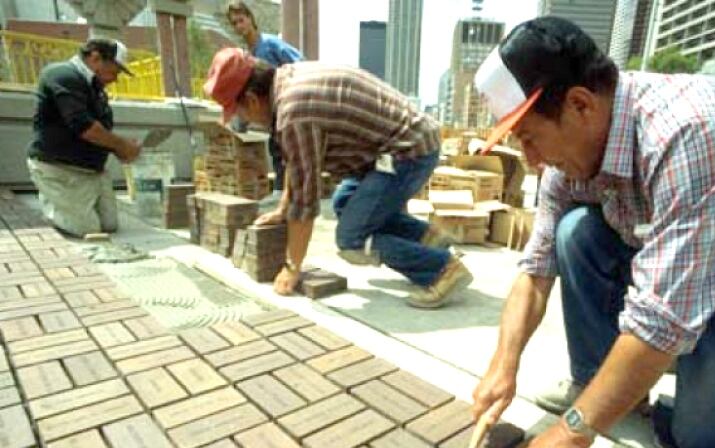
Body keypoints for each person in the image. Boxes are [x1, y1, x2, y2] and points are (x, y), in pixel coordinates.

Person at [470, 16, 715, 448]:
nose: (529, 161)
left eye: (529, 138)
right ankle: (611, 386)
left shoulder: (693, 133)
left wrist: (569, 435)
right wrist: (502, 368)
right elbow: (535, 268)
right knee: (576, 233)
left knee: (703, 443)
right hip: (706, 270)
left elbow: (665, 316)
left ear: (579, 105)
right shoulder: (569, 157)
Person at [203, 48, 473, 308]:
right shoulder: (286, 80)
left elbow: (305, 203)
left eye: (239, 112)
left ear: (251, 99)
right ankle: (426, 238)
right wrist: (282, 209)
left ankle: (442, 270)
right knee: (344, 201)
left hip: (408, 153)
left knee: (351, 239)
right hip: (394, 147)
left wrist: (292, 266)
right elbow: (297, 167)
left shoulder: (295, 113)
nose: (244, 120)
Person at [27, 38, 141, 237]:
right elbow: (84, 127)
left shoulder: (96, 90)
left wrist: (119, 150)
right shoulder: (61, 75)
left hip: (91, 171)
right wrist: (122, 145)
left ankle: (72, 202)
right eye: (114, 71)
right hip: (59, 169)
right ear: (96, 58)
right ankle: (51, 202)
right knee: (87, 228)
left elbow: (102, 132)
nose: (115, 79)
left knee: (109, 225)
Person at [226, 0, 303, 200]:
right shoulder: (248, 54)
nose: (239, 26)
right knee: (276, 146)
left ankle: (284, 191)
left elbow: (299, 62)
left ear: (251, 19)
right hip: (270, 106)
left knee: (283, 147)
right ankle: (283, 189)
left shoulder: (270, 44)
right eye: (234, 23)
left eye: (241, 20)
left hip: (286, 100)